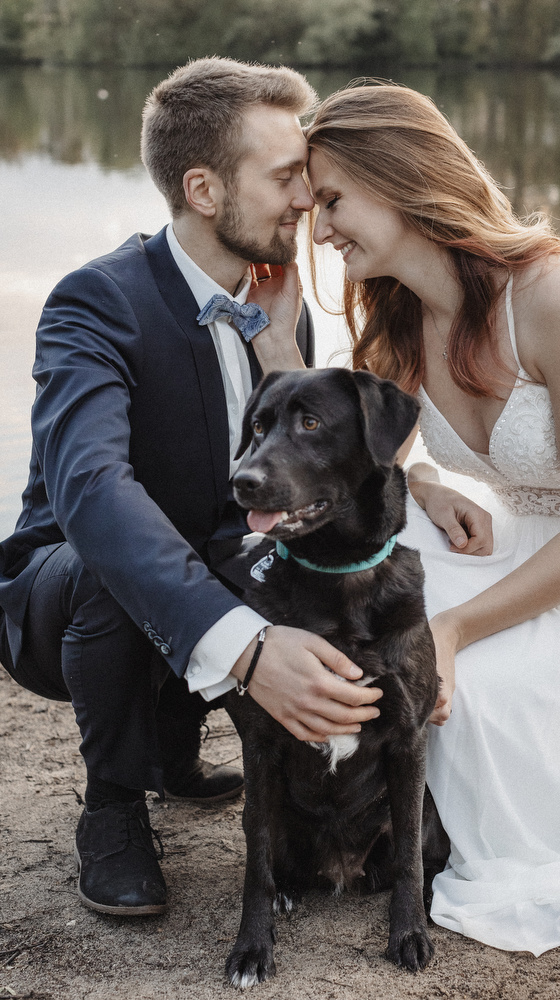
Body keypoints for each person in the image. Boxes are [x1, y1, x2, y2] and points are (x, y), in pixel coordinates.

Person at [0, 58, 384, 918]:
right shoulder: (96, 303)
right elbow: (93, 493)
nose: (307, 201)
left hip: (203, 561)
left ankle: (182, 751)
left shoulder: (282, 305)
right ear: (204, 189)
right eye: (288, 177)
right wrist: (246, 648)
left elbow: (313, 481)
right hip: (64, 592)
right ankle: (112, 807)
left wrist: (287, 357)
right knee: (112, 550)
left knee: (324, 554)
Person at [305, 82, 560, 955]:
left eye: (331, 201)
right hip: (517, 539)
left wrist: (456, 629)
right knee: (366, 608)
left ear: (395, 179)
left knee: (463, 691)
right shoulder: (397, 315)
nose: (319, 230)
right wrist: (425, 478)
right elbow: (373, 456)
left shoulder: (557, 294)